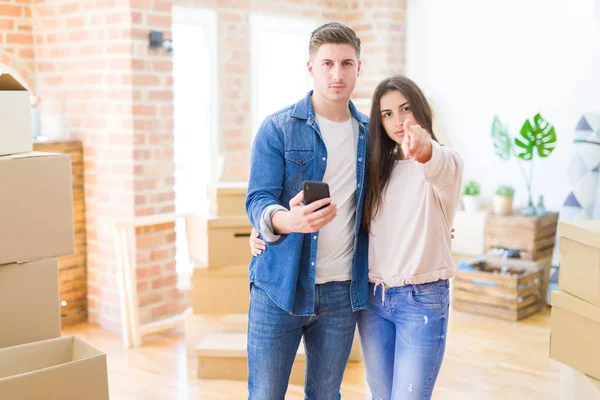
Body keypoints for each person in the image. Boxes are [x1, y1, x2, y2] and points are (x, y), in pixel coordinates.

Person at [250, 75, 463, 399]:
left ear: (420, 110)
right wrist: (270, 224)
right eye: (387, 114)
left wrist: (425, 149)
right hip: (372, 299)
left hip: (421, 299)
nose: (398, 121)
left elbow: (439, 166)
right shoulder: (376, 167)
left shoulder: (442, 162)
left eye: (405, 109)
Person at [245, 22, 369, 399]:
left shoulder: (369, 134)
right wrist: (287, 220)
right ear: (310, 67)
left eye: (347, 63)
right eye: (327, 63)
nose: (338, 74)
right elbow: (258, 199)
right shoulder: (278, 128)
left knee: (326, 394)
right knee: (265, 394)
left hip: (341, 293)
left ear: (359, 68)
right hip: (278, 287)